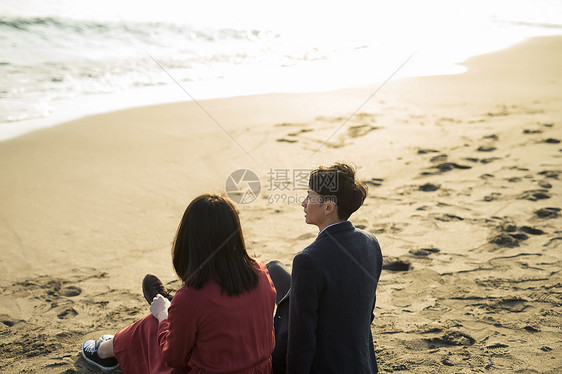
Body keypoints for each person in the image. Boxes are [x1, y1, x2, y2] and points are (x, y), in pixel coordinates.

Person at [81, 194, 277, 373]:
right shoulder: (261, 272)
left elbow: (173, 357)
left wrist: (163, 315)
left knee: (151, 325)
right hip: (260, 369)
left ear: (189, 239)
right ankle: (114, 345)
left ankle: (104, 351)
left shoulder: (192, 297)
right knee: (185, 322)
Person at [269, 163, 383, 373]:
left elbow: (301, 341)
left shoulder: (308, 260)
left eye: (310, 197)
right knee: (274, 269)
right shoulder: (370, 242)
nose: (303, 203)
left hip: (326, 367)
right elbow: (368, 315)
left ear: (328, 207)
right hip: (363, 364)